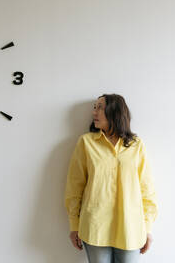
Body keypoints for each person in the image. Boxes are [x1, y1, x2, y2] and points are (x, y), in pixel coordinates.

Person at [64, 94, 158, 263]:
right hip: (95, 228)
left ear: (115, 111)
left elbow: (147, 189)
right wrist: (74, 225)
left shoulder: (136, 145)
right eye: (94, 107)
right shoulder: (86, 143)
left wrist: (147, 227)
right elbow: (75, 186)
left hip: (130, 228)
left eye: (100, 107)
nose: (94, 112)